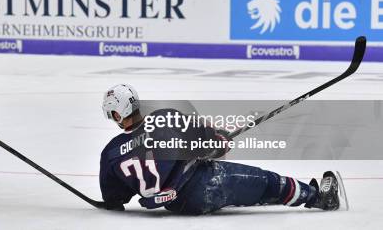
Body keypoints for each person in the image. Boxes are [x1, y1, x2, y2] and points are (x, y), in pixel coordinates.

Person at [98, 84, 342, 214]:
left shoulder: (110, 152)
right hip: (204, 184)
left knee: (254, 190)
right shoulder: (163, 119)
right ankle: (319, 198)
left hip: (178, 205)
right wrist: (218, 138)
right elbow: (209, 137)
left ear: (116, 114)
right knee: (267, 181)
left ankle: (290, 195)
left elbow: (114, 199)